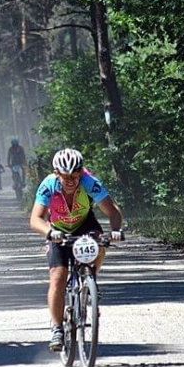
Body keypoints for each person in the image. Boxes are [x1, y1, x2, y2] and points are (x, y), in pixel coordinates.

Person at [29, 148, 124, 351]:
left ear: (81, 172)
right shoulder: (48, 185)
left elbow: (112, 210)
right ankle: (56, 328)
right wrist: (49, 232)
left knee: (99, 244)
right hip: (57, 230)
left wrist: (115, 230)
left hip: (85, 224)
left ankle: (90, 279)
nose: (71, 180)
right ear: (57, 174)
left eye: (75, 175)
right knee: (58, 277)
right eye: (66, 176)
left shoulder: (89, 182)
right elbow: (35, 219)